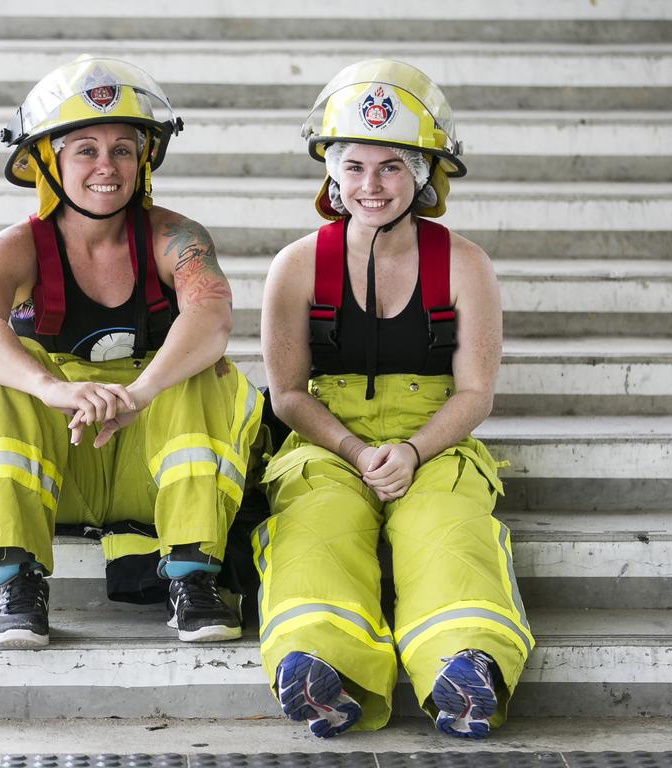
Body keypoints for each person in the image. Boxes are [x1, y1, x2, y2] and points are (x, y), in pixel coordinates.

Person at [255, 59, 534, 739]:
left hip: (434, 435)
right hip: (327, 436)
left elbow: (475, 392)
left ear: (424, 175)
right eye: (354, 167)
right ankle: (323, 666)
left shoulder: (465, 264)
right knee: (315, 524)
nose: (370, 186)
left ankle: (466, 667)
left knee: (446, 528)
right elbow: (288, 393)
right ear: (331, 173)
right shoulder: (295, 266)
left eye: (391, 167)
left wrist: (412, 451)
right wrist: (353, 449)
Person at [0, 55, 263, 649]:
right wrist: (55, 388)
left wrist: (141, 393)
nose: (107, 166)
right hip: (59, 463)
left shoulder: (178, 238)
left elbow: (212, 316)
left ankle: (195, 579)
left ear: (144, 158)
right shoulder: (13, 248)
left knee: (206, 371)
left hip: (151, 465)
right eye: (85, 149)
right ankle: (20, 585)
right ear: (49, 160)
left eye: (123, 148)